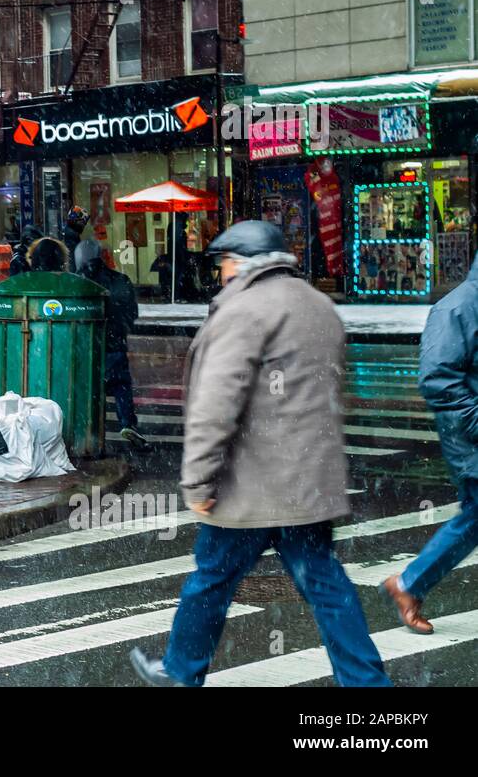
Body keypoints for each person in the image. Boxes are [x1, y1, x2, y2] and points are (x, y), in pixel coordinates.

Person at [130, 220, 390, 688]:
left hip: (249, 486)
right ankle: (366, 682)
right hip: (308, 484)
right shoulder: (319, 305)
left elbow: (216, 406)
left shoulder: (244, 311)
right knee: (327, 586)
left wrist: (198, 481)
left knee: (211, 580)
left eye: (225, 263)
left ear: (244, 263)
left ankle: (181, 671)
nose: (222, 273)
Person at [381, 249, 478, 635]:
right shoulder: (458, 307)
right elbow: (437, 379)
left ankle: (410, 583)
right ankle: (409, 583)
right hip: (469, 438)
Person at [73, 239, 150, 452]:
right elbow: (132, 313)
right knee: (121, 385)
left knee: (90, 388)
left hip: (87, 347)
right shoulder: (120, 279)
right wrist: (120, 329)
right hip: (115, 344)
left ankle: (91, 431)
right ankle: (127, 423)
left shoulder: (77, 282)